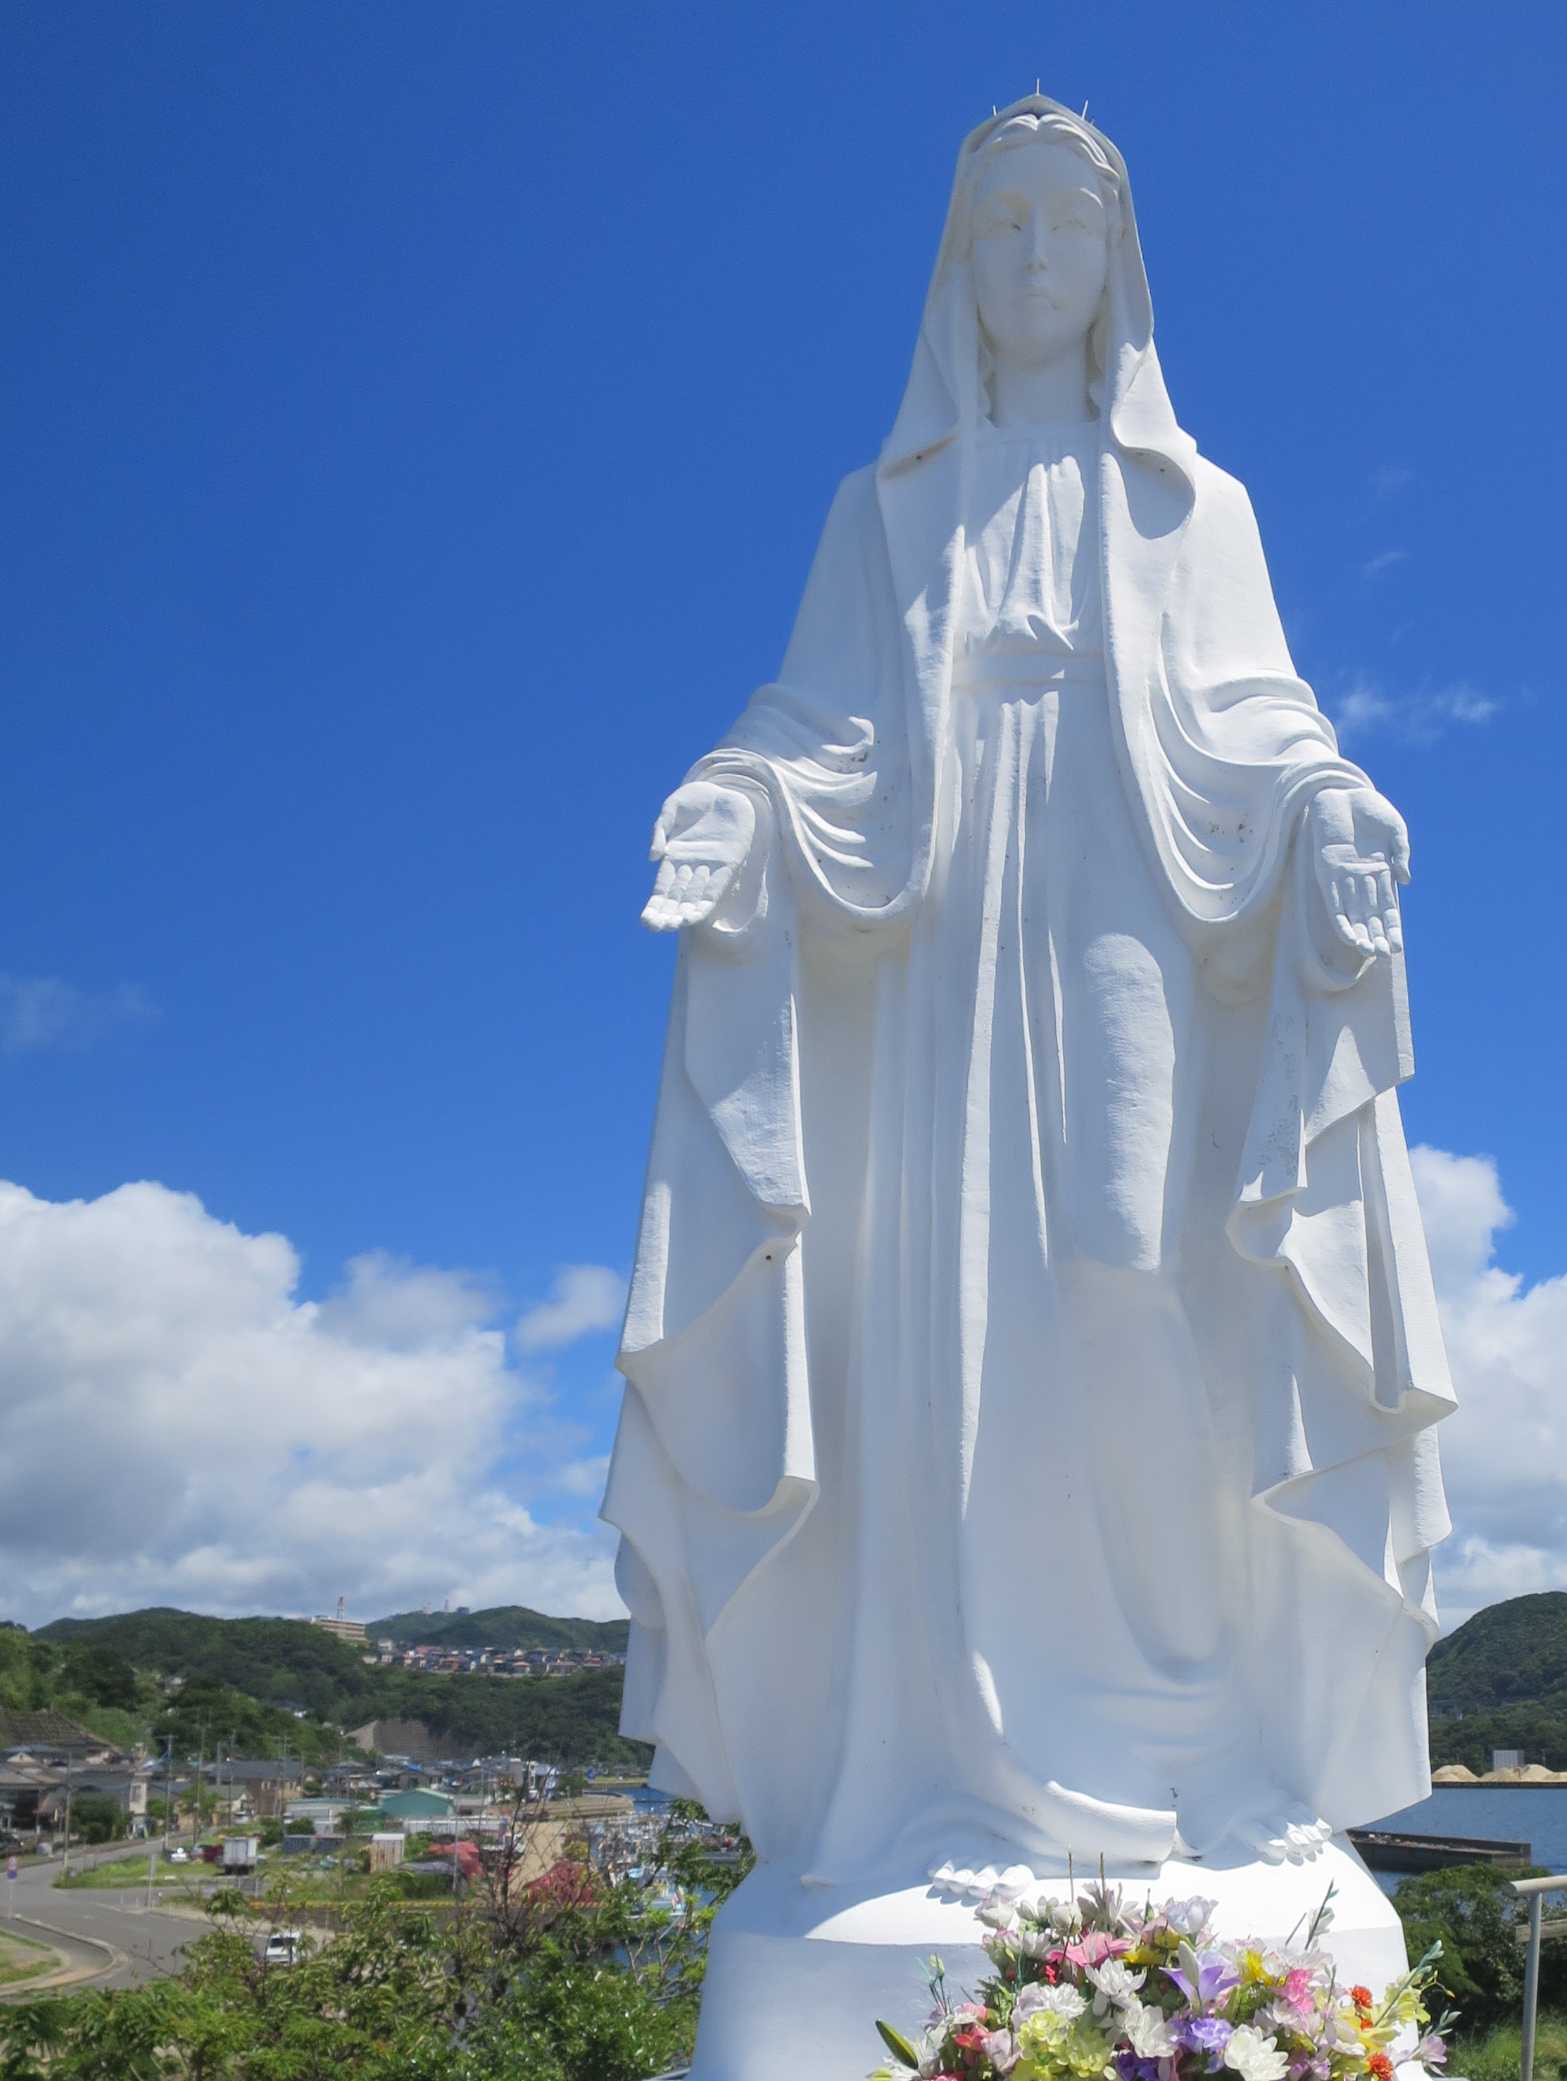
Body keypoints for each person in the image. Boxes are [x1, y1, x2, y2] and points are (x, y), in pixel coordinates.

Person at [606, 97, 1454, 1917]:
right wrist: (731, 798)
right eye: (998, 226)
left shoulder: (1195, 504)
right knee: (937, 1325)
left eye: (1063, 223)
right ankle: (933, 1756)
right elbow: (812, 720)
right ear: (956, 266)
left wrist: (1329, 804)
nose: (1031, 257)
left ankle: (1195, 1727)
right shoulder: (884, 509)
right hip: (930, 928)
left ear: (1117, 263)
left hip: (1126, 888)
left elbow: (1262, 712)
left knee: (1128, 1271)